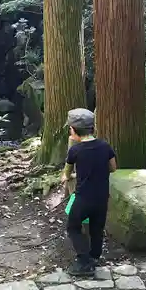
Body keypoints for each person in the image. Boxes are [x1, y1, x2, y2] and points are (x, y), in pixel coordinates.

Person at [61, 108, 117, 276]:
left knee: (72, 226)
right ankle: (94, 256)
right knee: (96, 228)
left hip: (82, 198)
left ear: (73, 130)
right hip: (101, 198)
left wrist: (67, 176)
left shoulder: (75, 151)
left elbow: (66, 174)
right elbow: (113, 168)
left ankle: (84, 262)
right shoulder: (105, 146)